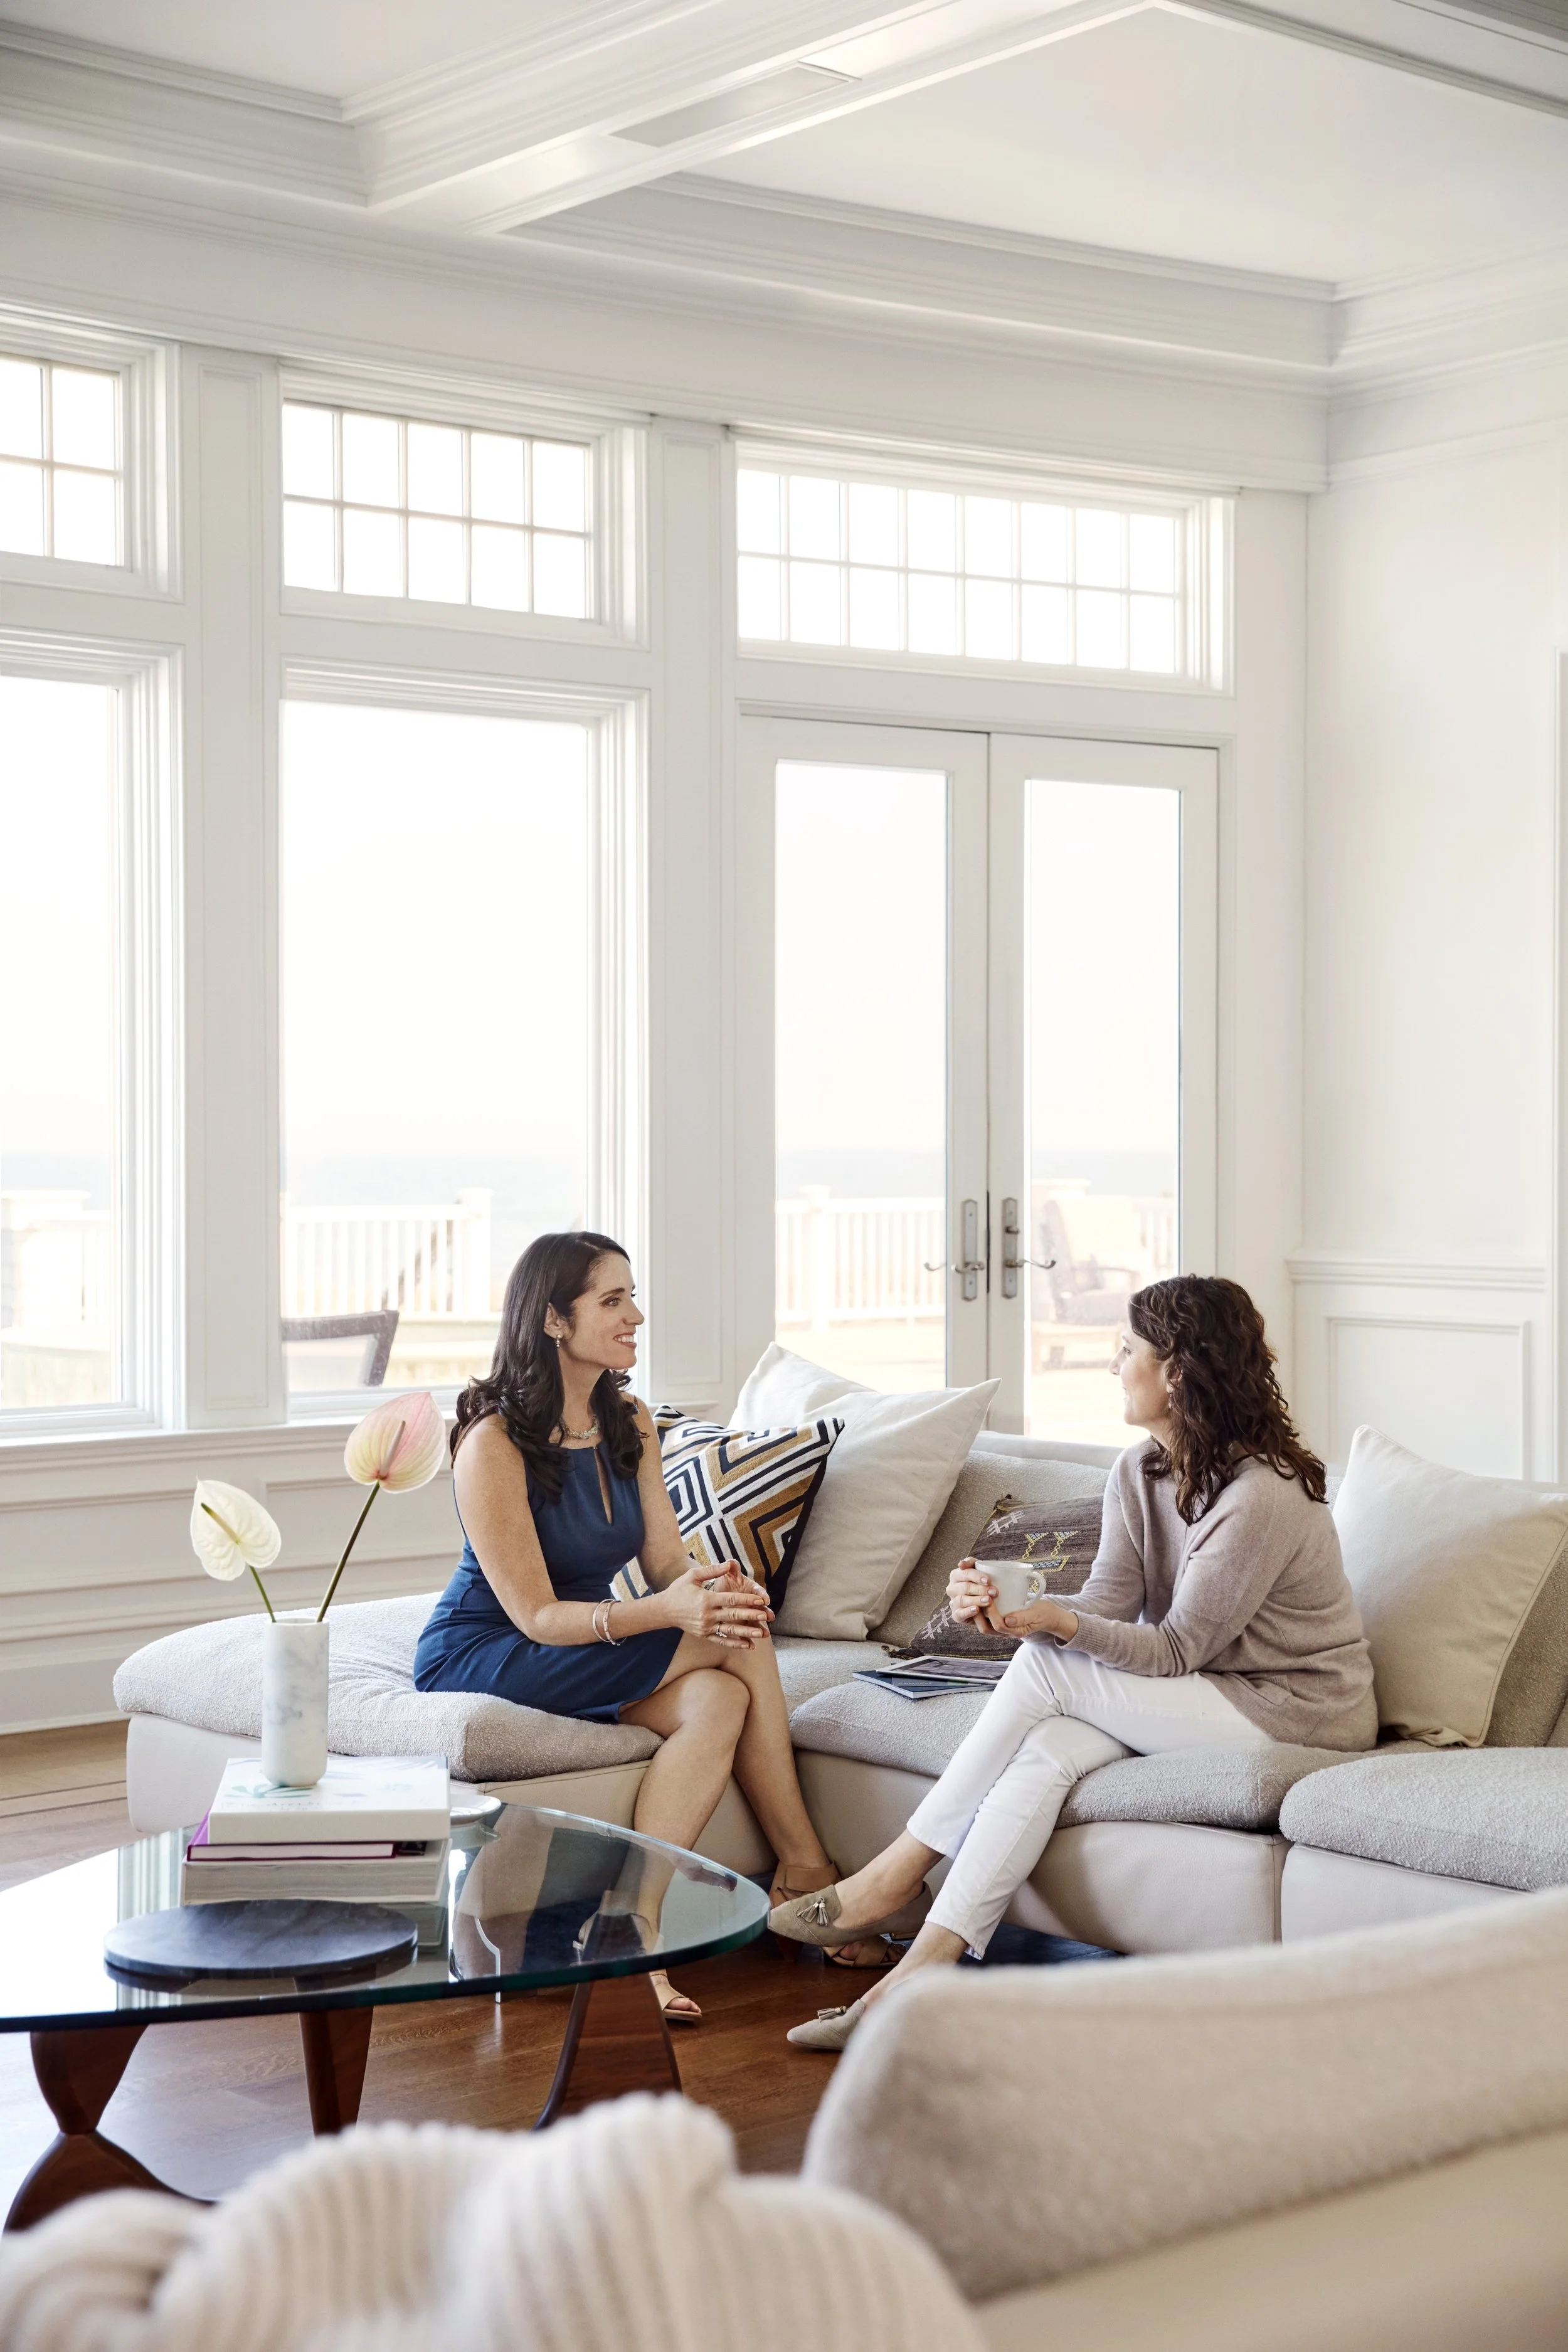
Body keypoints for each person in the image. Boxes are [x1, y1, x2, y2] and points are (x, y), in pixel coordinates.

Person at [771, 1273, 1377, 2049]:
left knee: (1049, 1670)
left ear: (1178, 1372)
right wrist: (1007, 1613)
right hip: (1202, 1693)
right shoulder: (1140, 1472)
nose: (1111, 1365)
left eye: (1125, 1351)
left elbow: (1173, 1647)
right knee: (1047, 1750)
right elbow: (1106, 1605)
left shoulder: (1260, 1496)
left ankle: (898, 1873)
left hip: (1294, 1712)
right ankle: (915, 1978)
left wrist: (1053, 1628)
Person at [414, 1229, 850, 2023]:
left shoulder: (629, 1419)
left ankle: (629, 1929)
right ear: (553, 1320)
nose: (636, 1316)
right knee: (730, 1640)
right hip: (490, 1651)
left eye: (631, 1296)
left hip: (583, 1638)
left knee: (720, 1691)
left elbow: (661, 1563)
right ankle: (806, 1871)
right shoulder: (491, 1443)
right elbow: (537, 1616)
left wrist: (707, 1586)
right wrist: (676, 1614)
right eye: (613, 1301)